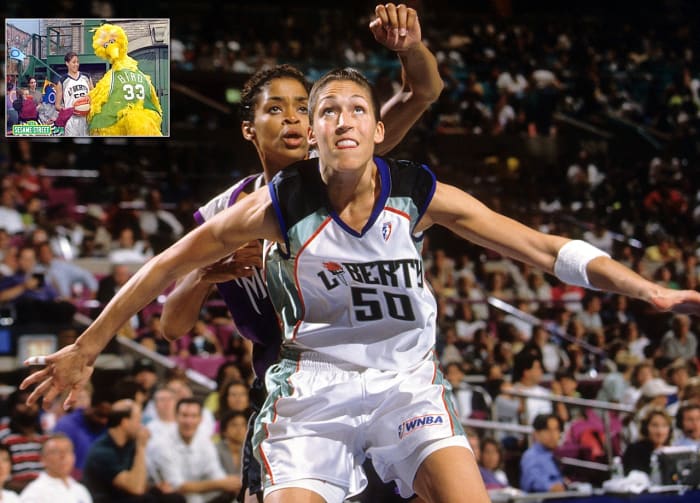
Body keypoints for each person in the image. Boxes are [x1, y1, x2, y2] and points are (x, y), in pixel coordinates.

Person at [20, 66, 700, 503]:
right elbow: (161, 270)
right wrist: (87, 345)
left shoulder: (416, 193)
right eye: (325, 111)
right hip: (310, 386)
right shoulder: (265, 206)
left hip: (406, 381)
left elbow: (543, 246)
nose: (338, 118)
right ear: (313, 136)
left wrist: (646, 289)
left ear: (379, 129)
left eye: (355, 109)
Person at [161, 4, 442, 502]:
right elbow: (171, 327)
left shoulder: (342, 166)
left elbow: (422, 92)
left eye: (300, 108)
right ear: (249, 128)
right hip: (288, 393)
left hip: (374, 382)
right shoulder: (226, 212)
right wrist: (204, 275)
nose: (291, 117)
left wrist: (410, 48)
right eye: (275, 109)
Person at [82, 399, 181, 503]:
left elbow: (140, 482)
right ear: (125, 422)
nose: (141, 426)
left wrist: (157, 487)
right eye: (138, 420)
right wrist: (141, 447)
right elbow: (136, 488)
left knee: (173, 498)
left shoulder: (129, 444)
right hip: (107, 499)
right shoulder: (102, 452)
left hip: (127, 495)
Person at [147, 398, 240, 503]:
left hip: (196, 495)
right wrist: (219, 484)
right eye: (184, 415)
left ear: (200, 419)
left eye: (194, 416)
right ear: (176, 417)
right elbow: (177, 486)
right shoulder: (162, 444)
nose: (188, 421)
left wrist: (229, 484)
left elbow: (215, 472)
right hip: (169, 498)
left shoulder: (204, 440)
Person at [19, 434, 92, 503]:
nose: (63, 456)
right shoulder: (35, 493)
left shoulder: (80, 490)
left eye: (67, 450)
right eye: (56, 451)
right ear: (43, 459)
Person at [520, 414, 566, 493]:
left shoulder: (553, 455)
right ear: (536, 434)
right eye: (548, 430)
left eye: (556, 429)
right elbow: (534, 481)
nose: (553, 435)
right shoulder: (531, 456)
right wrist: (551, 487)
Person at [622, 408, 673, 475]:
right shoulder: (634, 450)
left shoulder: (672, 452)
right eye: (655, 425)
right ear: (645, 428)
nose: (660, 431)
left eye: (664, 425)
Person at [55, 52, 93, 137]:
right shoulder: (62, 81)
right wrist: (70, 110)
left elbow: (94, 97)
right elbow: (57, 106)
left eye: (77, 62)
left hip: (87, 119)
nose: (76, 64)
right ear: (67, 63)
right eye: (73, 62)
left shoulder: (86, 77)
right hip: (71, 120)